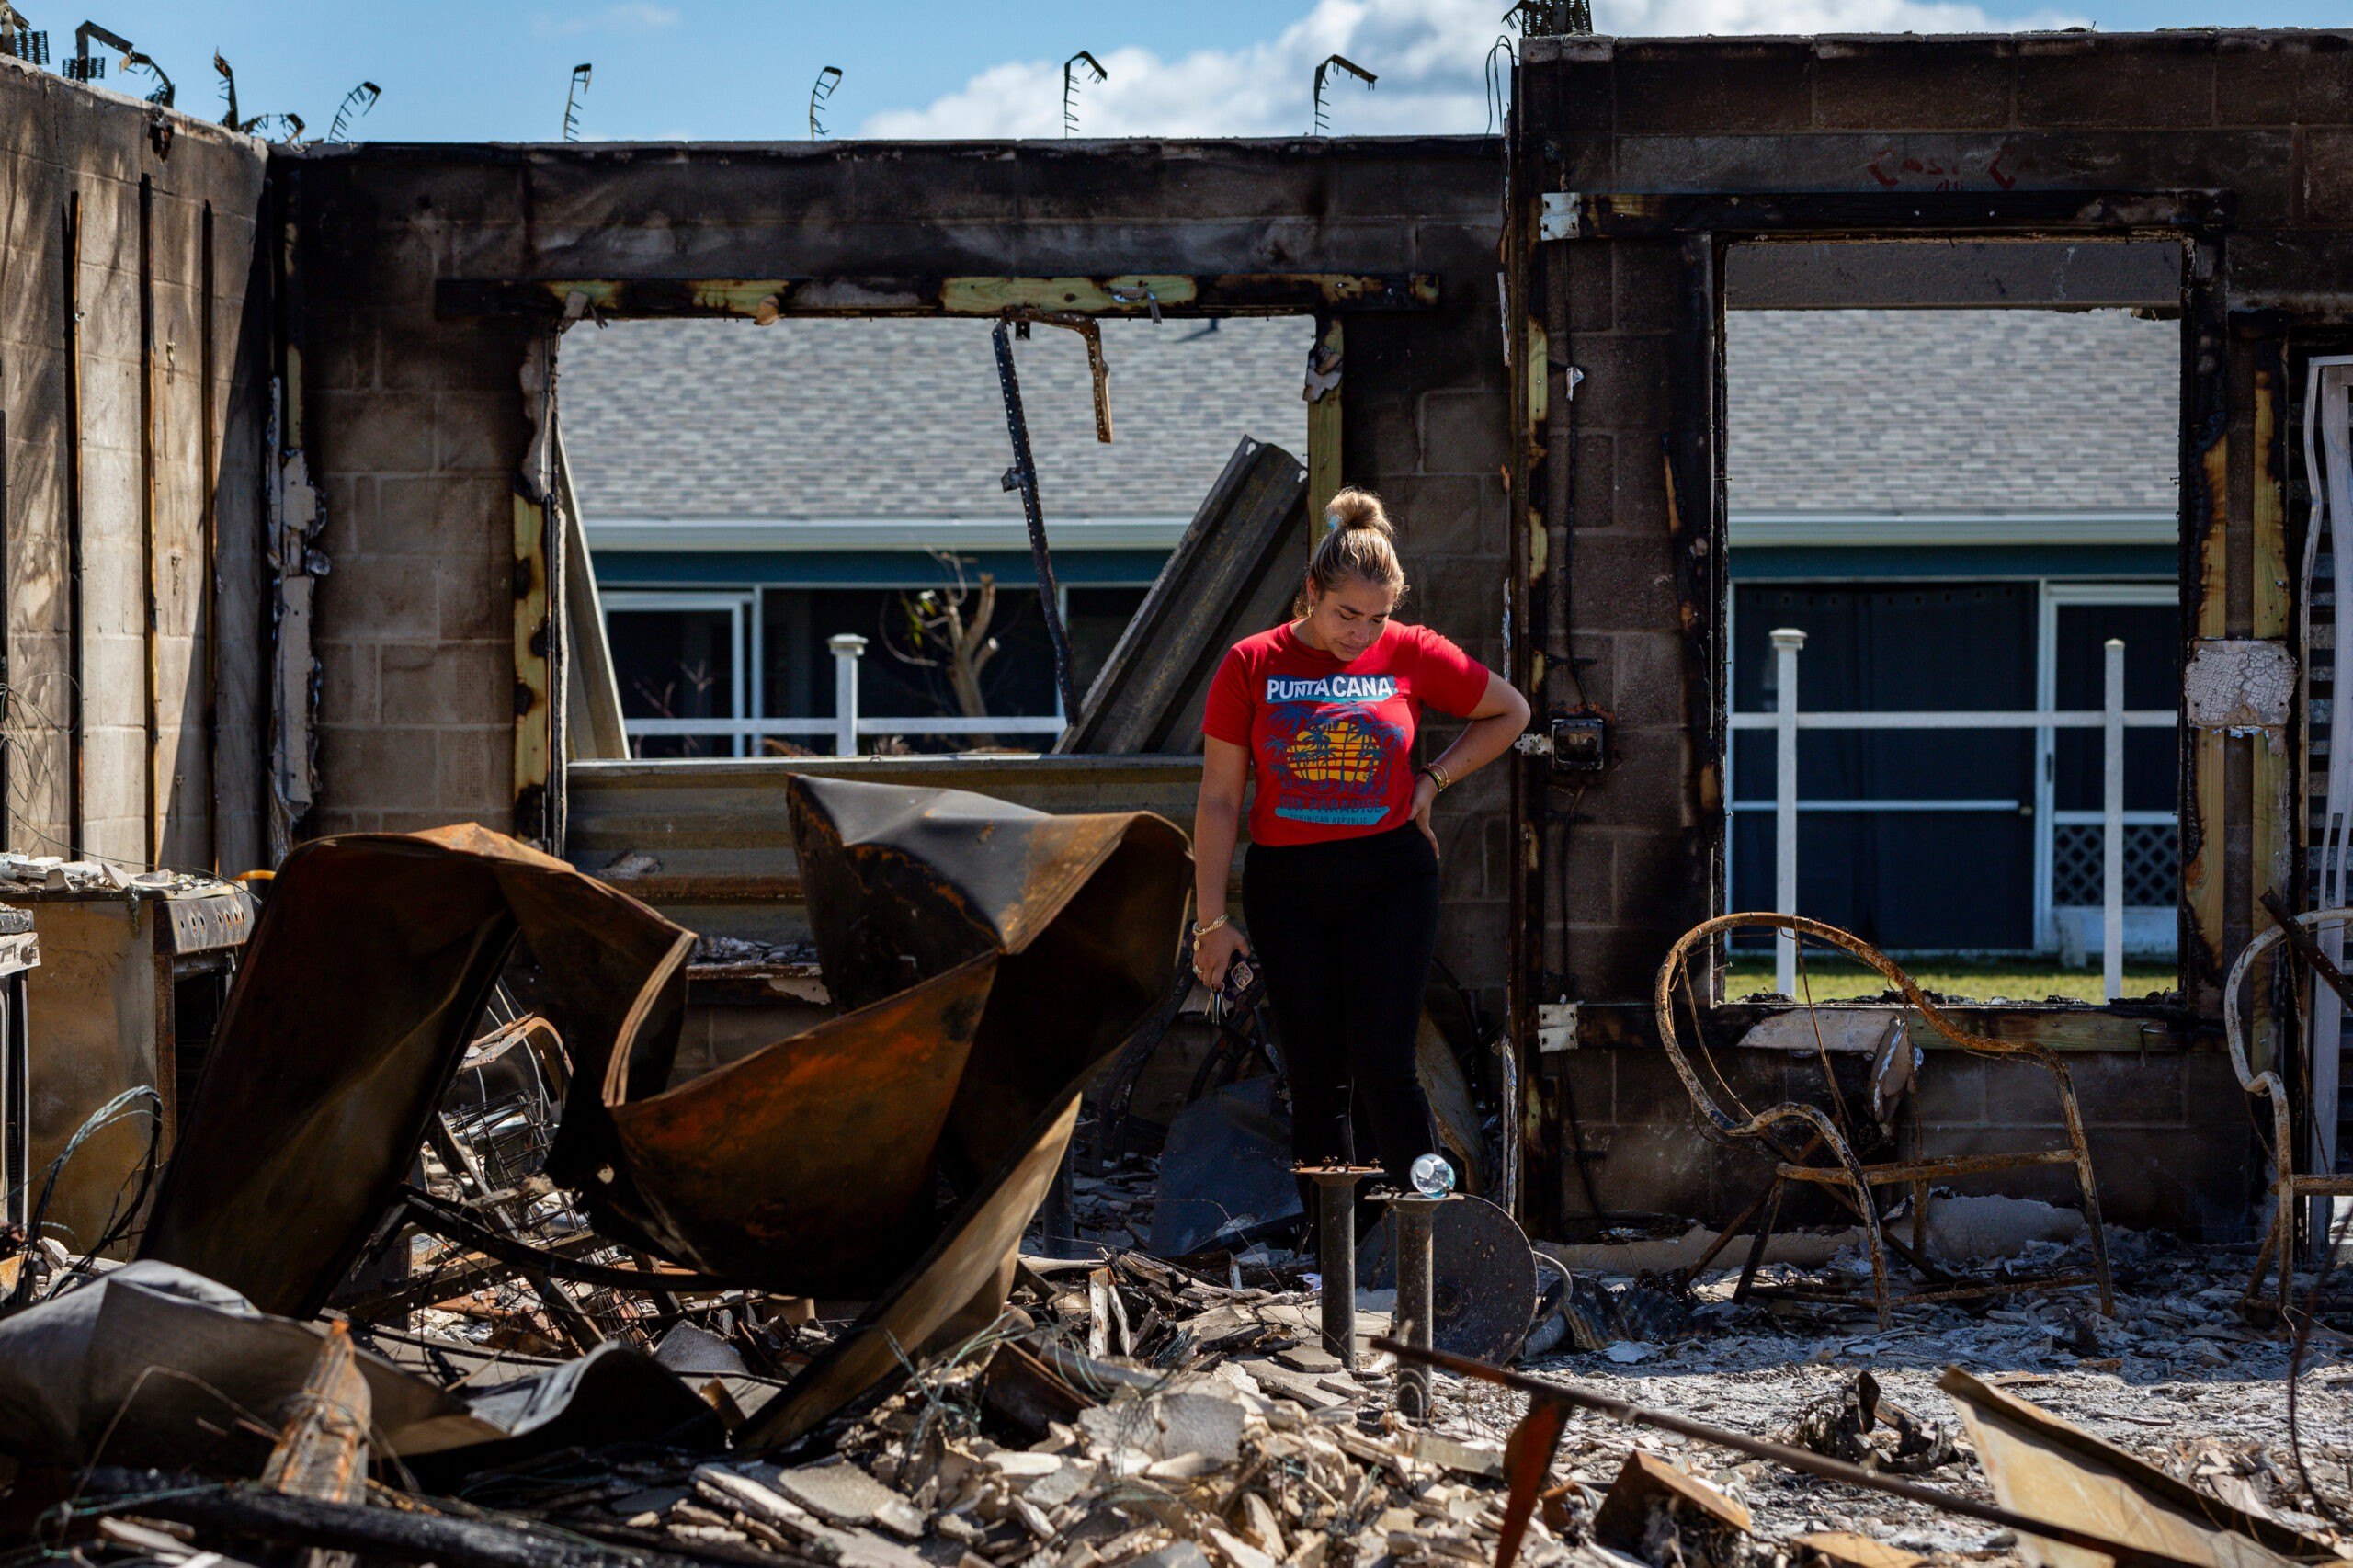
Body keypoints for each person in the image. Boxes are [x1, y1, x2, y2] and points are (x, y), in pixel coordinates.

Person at [1191, 488, 1531, 1195]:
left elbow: (1511, 712)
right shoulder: (1251, 664)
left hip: (1390, 878)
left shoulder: (1408, 652)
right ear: (1311, 592)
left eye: (1377, 617)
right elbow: (1221, 799)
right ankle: (1333, 1266)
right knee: (1316, 1076)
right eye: (1347, 614)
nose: (1361, 633)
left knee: (1386, 1063)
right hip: (1288, 886)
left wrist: (1433, 779)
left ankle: (1428, 1236)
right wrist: (1212, 923)